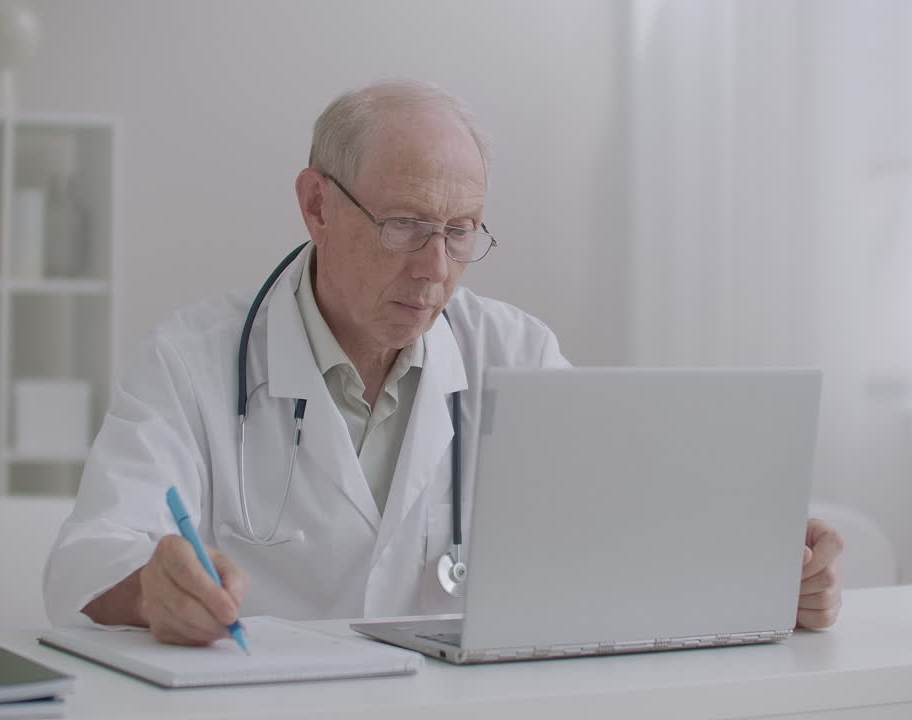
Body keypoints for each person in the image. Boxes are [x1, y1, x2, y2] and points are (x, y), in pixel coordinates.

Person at [43, 80, 844, 646]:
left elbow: (621, 531)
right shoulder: (192, 360)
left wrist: (769, 580)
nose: (436, 268)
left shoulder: (516, 355)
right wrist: (154, 590)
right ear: (317, 206)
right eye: (404, 224)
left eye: (462, 231)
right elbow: (88, 557)